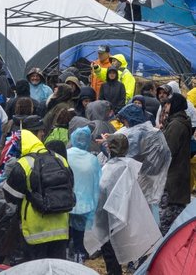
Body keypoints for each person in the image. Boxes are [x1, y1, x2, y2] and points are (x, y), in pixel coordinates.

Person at [84, 134, 162, 275]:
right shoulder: (132, 166)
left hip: (108, 220)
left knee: (110, 252)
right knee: (128, 248)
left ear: (109, 149)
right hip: (129, 218)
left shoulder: (108, 170)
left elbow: (100, 193)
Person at [2, 129, 73, 261]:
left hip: (35, 230)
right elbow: (70, 185)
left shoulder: (24, 164)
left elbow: (10, 196)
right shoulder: (60, 159)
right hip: (61, 228)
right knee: (57, 267)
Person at [66, 126, 101, 263]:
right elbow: (97, 183)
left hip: (66, 202)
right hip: (85, 205)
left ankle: (66, 257)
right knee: (79, 235)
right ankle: (79, 257)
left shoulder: (66, 154)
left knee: (66, 233)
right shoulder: (92, 159)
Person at [160, 93, 193, 234]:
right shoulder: (179, 122)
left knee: (167, 220)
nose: (165, 107)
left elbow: (168, 151)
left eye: (168, 104)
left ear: (174, 105)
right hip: (179, 176)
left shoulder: (176, 125)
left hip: (173, 177)